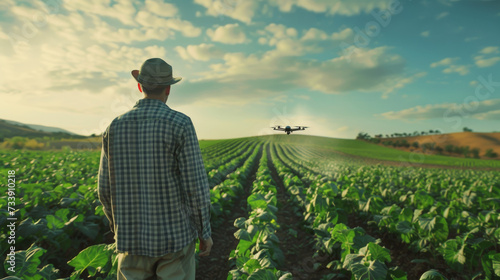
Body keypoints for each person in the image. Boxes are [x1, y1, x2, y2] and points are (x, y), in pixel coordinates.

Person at [98, 58, 213, 280]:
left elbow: (104, 190)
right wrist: (204, 232)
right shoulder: (180, 123)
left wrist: (117, 228)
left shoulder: (114, 126)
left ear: (140, 86)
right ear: (168, 89)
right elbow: (195, 188)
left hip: (130, 242)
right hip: (175, 240)